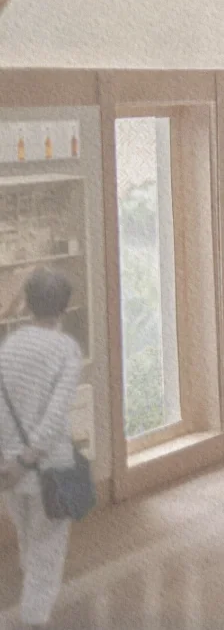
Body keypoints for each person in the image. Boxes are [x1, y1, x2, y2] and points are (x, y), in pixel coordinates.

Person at [0, 269, 83, 628]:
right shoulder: (66, 349)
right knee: (47, 550)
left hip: (8, 469)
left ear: (28, 303)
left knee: (27, 542)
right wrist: (28, 456)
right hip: (49, 467)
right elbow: (54, 416)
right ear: (64, 306)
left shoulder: (10, 346)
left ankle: (28, 613)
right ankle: (33, 620)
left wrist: (11, 460)